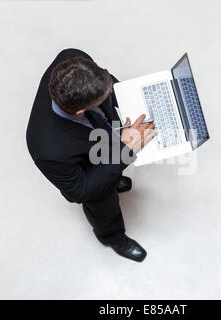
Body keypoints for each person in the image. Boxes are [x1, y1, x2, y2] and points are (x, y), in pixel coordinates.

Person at [26, 48, 156, 262]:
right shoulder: (46, 149)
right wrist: (127, 148)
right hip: (88, 173)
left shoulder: (71, 58)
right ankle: (112, 237)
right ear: (80, 111)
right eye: (103, 96)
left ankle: (114, 179)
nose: (110, 92)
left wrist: (133, 102)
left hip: (104, 139)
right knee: (104, 206)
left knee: (112, 174)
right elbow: (81, 190)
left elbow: (109, 85)